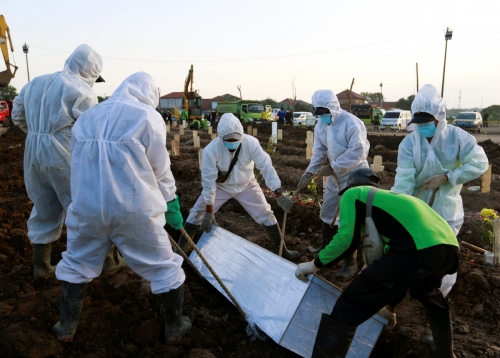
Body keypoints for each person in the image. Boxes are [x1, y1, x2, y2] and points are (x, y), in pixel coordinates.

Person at [53, 72, 190, 343]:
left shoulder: (88, 117)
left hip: (87, 207)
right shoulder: (147, 117)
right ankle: (174, 327)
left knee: (77, 263)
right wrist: (171, 201)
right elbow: (160, 169)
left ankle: (66, 327)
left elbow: (78, 165)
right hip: (134, 209)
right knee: (164, 266)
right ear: (150, 93)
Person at [295, 168, 460, 358]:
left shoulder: (353, 194)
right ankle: (445, 353)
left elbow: (346, 240)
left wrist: (315, 264)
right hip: (448, 248)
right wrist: (390, 302)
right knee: (425, 291)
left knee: (350, 303)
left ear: (352, 186)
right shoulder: (391, 200)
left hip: (416, 249)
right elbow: (398, 270)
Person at [386, 84, 489, 326]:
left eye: (428, 120)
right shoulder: (410, 144)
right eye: (419, 121)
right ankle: (392, 304)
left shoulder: (458, 137)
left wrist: (448, 177)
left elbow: (479, 163)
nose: (423, 126)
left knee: (442, 262)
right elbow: (403, 179)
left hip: (447, 210)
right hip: (417, 209)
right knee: (410, 258)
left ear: (439, 117)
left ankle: (433, 309)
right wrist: (396, 205)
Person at [11, 44, 105, 279]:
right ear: (90, 72)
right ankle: (85, 263)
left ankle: (41, 266)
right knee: (84, 206)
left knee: (43, 206)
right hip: (64, 153)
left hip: (33, 151)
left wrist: (37, 134)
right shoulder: (82, 90)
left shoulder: (34, 83)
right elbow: (90, 132)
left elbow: (17, 116)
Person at [177, 113, 299, 261]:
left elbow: (266, 166)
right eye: (229, 140)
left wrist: (278, 193)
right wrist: (209, 210)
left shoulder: (251, 143)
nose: (233, 142)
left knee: (267, 214)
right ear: (221, 137)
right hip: (221, 187)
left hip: (247, 185)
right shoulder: (211, 150)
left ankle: (283, 251)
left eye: (236, 139)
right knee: (196, 214)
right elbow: (208, 182)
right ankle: (181, 254)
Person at [297, 89, 369, 281]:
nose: (322, 117)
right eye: (319, 114)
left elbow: (358, 152)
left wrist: (333, 166)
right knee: (328, 211)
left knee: (347, 219)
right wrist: (309, 172)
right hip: (334, 175)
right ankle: (326, 246)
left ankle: (350, 262)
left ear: (333, 108)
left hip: (355, 175)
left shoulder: (352, 123)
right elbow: (319, 151)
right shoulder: (321, 125)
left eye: (324, 113)